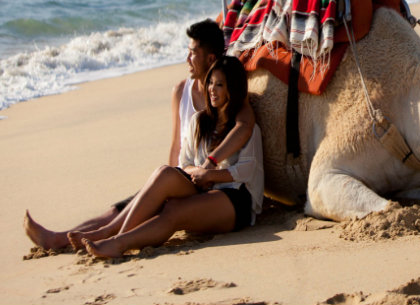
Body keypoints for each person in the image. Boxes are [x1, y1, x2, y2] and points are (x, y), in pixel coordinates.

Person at [24, 19, 256, 251]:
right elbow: (177, 148)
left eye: (192, 53)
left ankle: (110, 238)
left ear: (210, 59)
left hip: (212, 184)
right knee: (122, 207)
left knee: (159, 204)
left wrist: (205, 169)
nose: (187, 59)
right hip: (189, 177)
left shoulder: (233, 103)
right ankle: (60, 238)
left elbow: (244, 133)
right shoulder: (183, 94)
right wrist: (170, 185)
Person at [77, 55, 263, 258]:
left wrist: (210, 176)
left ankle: (118, 242)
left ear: (233, 89)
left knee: (174, 211)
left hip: (236, 198)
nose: (211, 89)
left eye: (219, 84)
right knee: (164, 172)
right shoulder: (199, 121)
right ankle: (114, 234)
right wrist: (199, 173)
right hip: (204, 186)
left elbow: (247, 170)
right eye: (210, 82)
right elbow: (185, 163)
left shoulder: (247, 127)